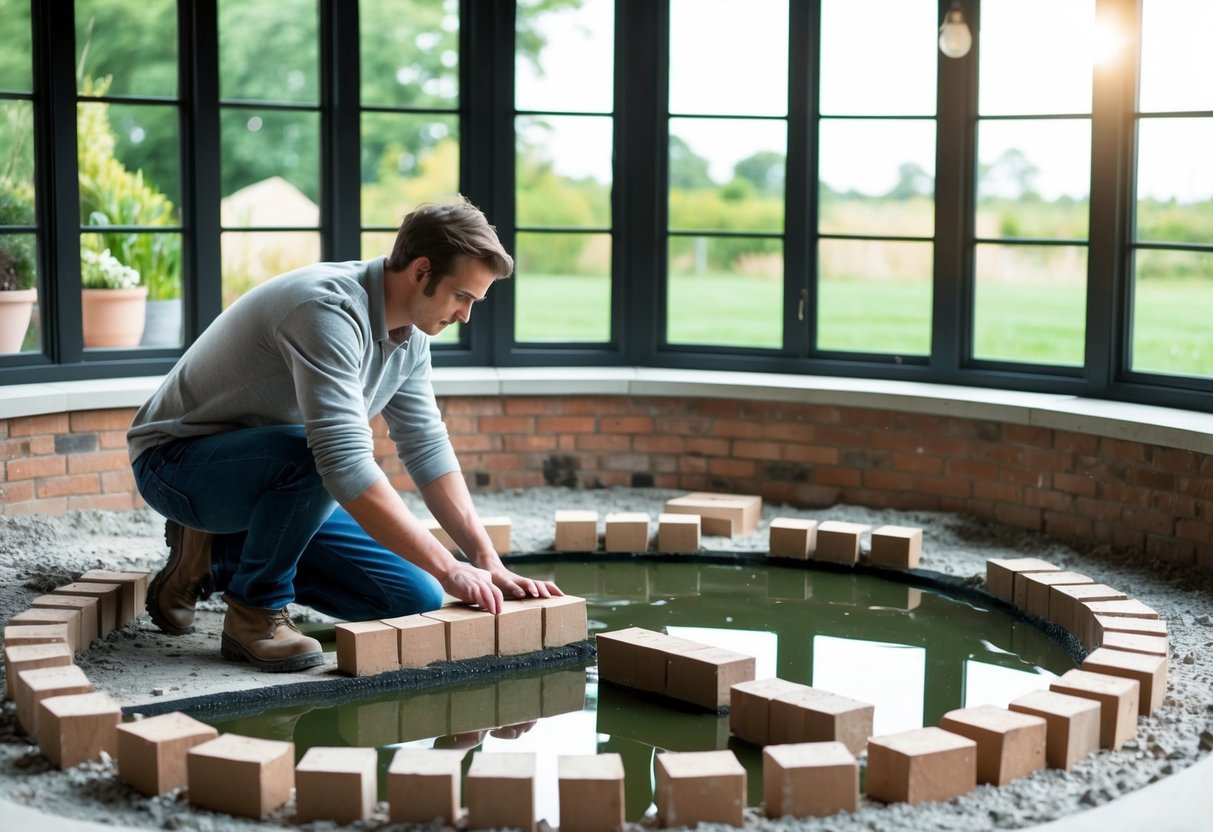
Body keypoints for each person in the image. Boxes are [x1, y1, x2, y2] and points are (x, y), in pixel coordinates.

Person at [127, 198, 561, 673]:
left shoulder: (410, 337)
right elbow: (343, 463)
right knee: (316, 457)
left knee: (412, 595)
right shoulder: (325, 309)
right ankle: (254, 611)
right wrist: (449, 565)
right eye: (463, 296)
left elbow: (426, 445)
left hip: (277, 478)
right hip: (177, 465)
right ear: (421, 270)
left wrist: (483, 559)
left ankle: (218, 555)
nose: (465, 316)